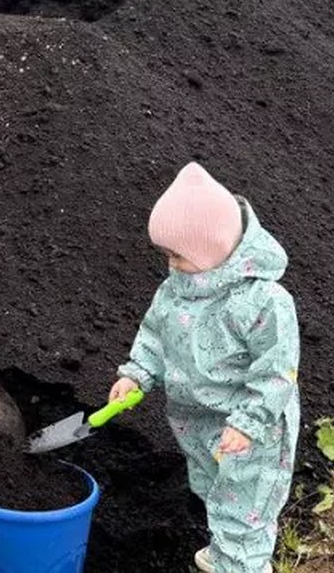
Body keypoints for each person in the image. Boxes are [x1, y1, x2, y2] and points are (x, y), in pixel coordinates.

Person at [109, 162, 300, 573]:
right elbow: (155, 336)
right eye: (167, 254)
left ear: (211, 247)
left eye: (178, 254)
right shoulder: (175, 289)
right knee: (216, 489)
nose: (171, 263)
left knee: (246, 506)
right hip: (198, 420)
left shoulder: (263, 303)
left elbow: (276, 372)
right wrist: (135, 374)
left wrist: (250, 422)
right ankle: (225, 554)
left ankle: (243, 565)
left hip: (252, 429)